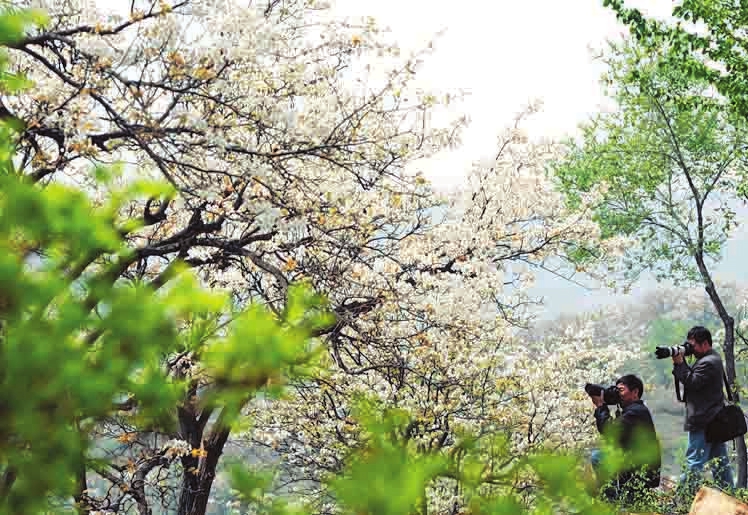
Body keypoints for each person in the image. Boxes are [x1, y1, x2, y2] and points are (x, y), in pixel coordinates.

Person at [673, 325, 734, 491]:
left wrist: (679, 364)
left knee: (694, 462)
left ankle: (681, 500)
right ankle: (731, 495)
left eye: (692, 346)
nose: (690, 349)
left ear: (705, 344)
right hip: (713, 419)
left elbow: (692, 382)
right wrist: (681, 362)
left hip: (704, 421)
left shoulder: (708, 362)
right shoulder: (712, 357)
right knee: (720, 464)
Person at [590, 374, 662, 503]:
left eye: (621, 390)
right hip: (636, 466)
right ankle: (615, 496)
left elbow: (609, 431)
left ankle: (611, 500)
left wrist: (601, 406)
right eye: (616, 390)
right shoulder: (633, 410)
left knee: (598, 457)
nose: (618, 394)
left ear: (635, 392)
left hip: (639, 469)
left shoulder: (635, 412)